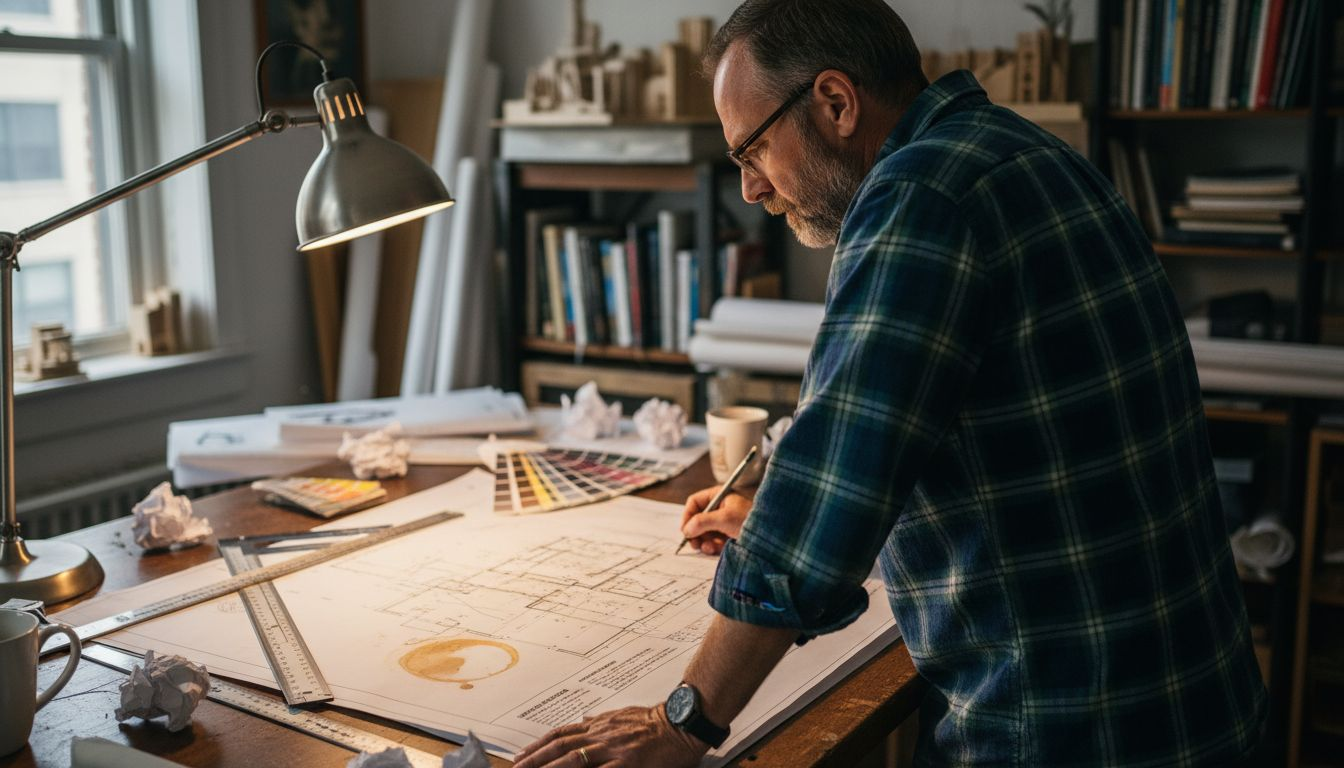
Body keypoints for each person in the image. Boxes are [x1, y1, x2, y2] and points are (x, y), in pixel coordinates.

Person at [515, 1, 1268, 765]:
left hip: (1071, 731)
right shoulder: (1027, 152)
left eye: (753, 150)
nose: (751, 190)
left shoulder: (920, 196)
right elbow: (982, 447)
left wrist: (683, 722)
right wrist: (783, 511)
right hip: (1194, 705)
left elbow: (819, 506)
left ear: (835, 103)